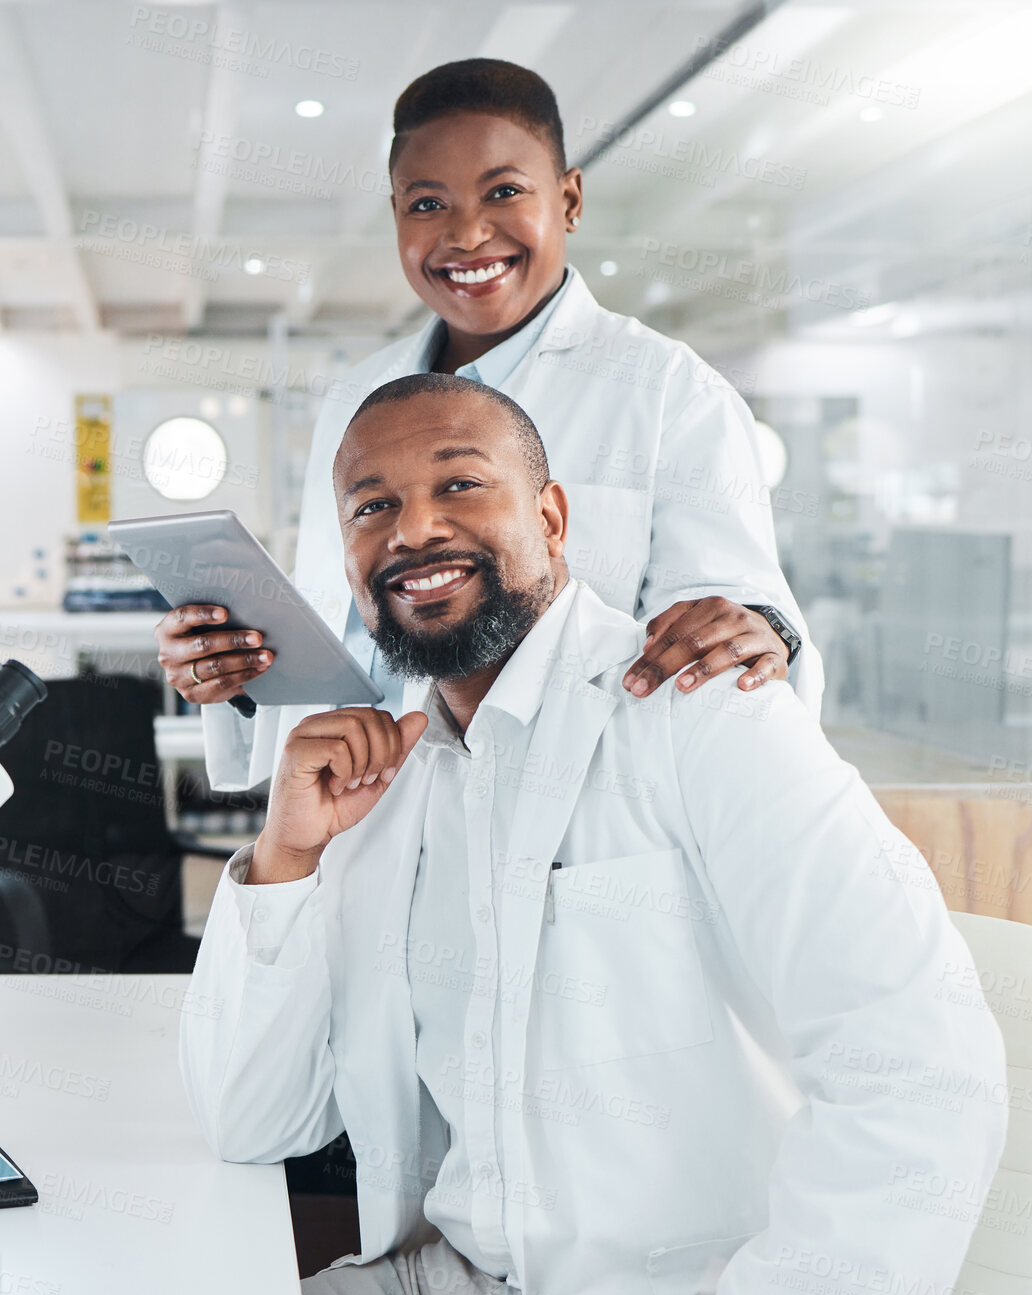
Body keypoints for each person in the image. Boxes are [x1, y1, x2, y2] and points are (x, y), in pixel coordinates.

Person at [179, 374, 1007, 1295]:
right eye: (370, 506)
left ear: (552, 519)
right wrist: (286, 860)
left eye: (458, 484)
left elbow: (917, 1056)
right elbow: (251, 1118)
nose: (412, 527)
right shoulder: (395, 777)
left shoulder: (703, 709)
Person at [155, 58, 821, 793]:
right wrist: (242, 672)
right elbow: (347, 631)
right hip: (366, 810)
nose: (466, 235)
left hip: (560, 810)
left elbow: (736, 624)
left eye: (503, 191)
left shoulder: (668, 390)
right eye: (426, 204)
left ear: (568, 199)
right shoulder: (357, 396)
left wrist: (762, 631)